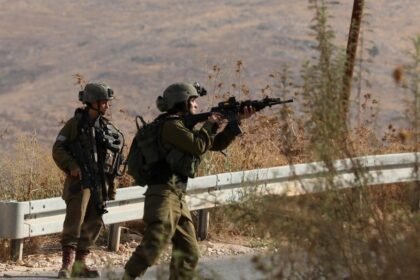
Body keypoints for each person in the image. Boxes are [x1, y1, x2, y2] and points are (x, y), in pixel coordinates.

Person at [122, 83, 254, 279]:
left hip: (177, 196)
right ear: (181, 102)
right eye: (193, 100)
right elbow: (198, 145)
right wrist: (210, 124)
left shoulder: (181, 125)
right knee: (155, 242)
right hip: (163, 195)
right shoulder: (170, 126)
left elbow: (214, 144)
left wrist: (235, 122)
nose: (196, 105)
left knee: (188, 253)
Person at [52, 82, 124, 279]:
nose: (107, 106)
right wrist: (72, 166)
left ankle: (80, 264)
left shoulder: (106, 126)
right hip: (80, 182)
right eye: (103, 102)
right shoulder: (75, 124)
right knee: (75, 220)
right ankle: (66, 265)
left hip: (100, 181)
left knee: (94, 221)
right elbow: (58, 149)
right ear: (92, 102)